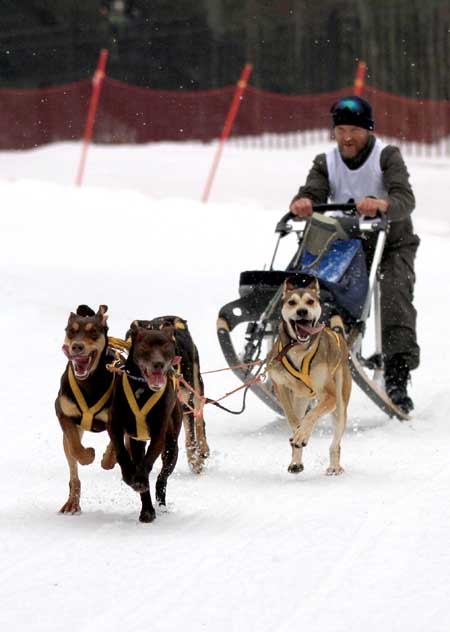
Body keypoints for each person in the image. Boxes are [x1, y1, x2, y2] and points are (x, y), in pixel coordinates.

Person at [289, 95, 420, 414]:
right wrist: (304, 201)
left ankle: (397, 376)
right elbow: (312, 191)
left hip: (391, 242)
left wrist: (382, 203)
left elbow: (405, 197)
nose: (347, 137)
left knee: (394, 295)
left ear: (369, 131)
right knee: (312, 287)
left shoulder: (386, 156)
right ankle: (302, 361)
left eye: (355, 131)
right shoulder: (326, 161)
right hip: (347, 242)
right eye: (341, 130)